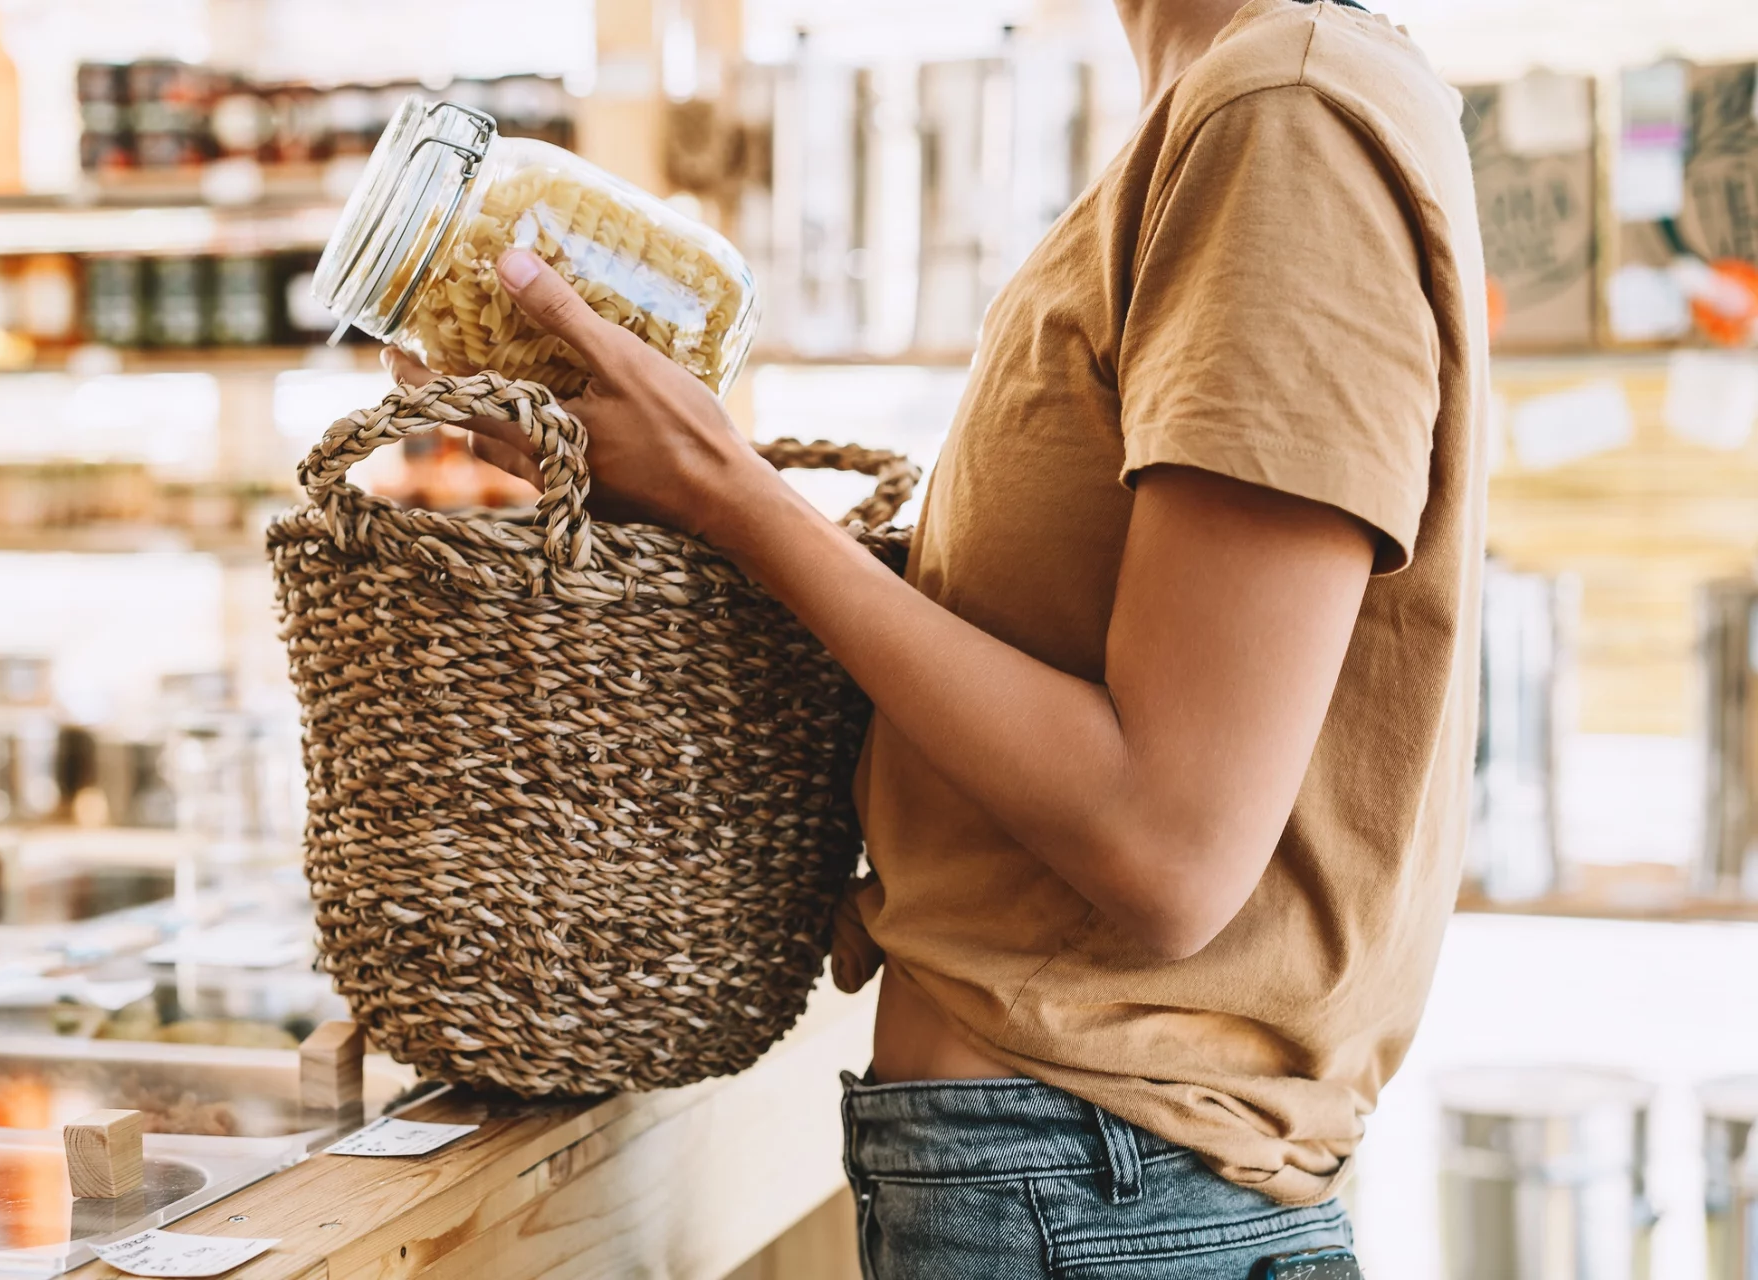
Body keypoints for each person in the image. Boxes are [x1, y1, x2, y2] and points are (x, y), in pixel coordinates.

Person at [384, 0, 1488, 1272]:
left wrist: (728, 492)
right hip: (1063, 1180)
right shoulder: (1231, 103)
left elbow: (1170, 840)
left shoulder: (1279, 116)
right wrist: (697, 499)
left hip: (1094, 1191)